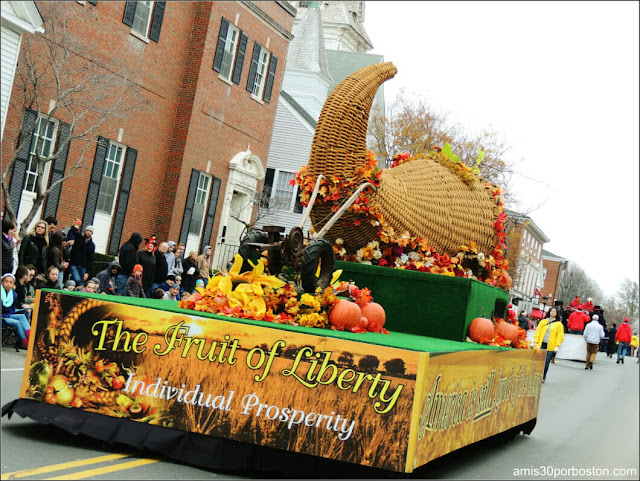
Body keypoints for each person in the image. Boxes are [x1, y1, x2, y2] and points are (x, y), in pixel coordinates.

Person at [533, 307, 564, 382]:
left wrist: (557, 345)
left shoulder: (559, 324)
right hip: (541, 344)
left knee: (546, 362)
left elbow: (560, 336)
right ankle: (536, 375)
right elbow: (538, 332)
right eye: (551, 311)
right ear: (549, 312)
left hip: (550, 346)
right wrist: (536, 341)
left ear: (557, 314)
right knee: (538, 360)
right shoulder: (543, 321)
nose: (553, 313)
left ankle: (543, 376)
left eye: (554, 311)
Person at [2, 273, 31, 348]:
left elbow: (13, 309)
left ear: (13, 284)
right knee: (18, 322)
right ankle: (28, 344)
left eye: (10, 282)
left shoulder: (14, 295)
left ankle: (31, 338)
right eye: (6, 282)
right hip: (2, 317)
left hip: (8, 315)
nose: (8, 284)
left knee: (22, 315)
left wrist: (21, 309)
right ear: (2, 282)